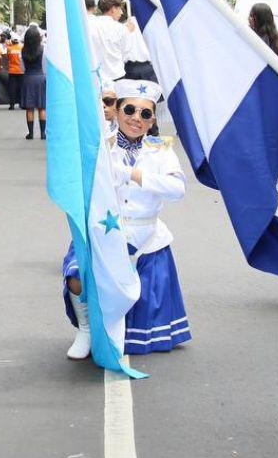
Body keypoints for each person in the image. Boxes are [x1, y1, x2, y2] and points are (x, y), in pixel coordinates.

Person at [62, 79, 190, 359]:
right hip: (103, 232)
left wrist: (134, 174)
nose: (136, 118)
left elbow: (178, 189)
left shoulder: (161, 149)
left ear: (152, 119)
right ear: (117, 111)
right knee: (77, 275)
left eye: (145, 113)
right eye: (129, 110)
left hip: (147, 239)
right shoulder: (99, 146)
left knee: (139, 330)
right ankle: (85, 329)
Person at [89, 0, 132, 86]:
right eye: (119, 8)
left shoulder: (90, 25)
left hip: (97, 79)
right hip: (117, 77)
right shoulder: (121, 28)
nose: (121, 12)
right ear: (113, 9)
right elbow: (126, 54)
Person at [20, 24, 47, 139]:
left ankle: (30, 133)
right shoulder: (42, 49)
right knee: (42, 107)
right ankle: (43, 133)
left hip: (28, 78)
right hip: (40, 77)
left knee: (29, 108)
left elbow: (22, 66)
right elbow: (45, 65)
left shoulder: (23, 50)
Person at [6, 34, 24, 110]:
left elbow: (8, 58)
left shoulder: (9, 49)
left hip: (12, 70)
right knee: (21, 88)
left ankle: (12, 104)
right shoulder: (22, 48)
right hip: (21, 70)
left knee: (12, 88)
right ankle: (21, 103)